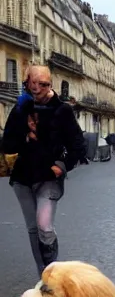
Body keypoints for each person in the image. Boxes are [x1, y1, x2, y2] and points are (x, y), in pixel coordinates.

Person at [3, 65, 84, 276]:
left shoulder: (62, 110)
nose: (38, 88)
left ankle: (52, 273)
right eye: (34, 83)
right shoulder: (21, 109)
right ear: (27, 83)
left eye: (44, 84)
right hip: (23, 178)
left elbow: (78, 145)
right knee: (33, 229)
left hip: (48, 178)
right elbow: (8, 145)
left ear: (51, 84)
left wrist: (63, 165)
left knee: (44, 226)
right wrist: (22, 125)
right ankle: (44, 275)